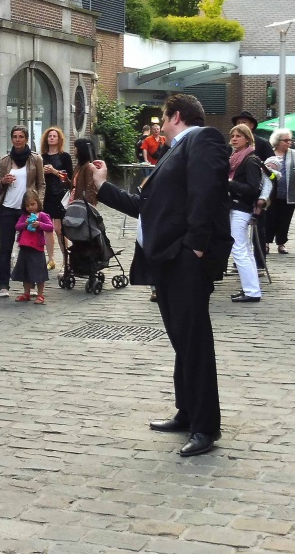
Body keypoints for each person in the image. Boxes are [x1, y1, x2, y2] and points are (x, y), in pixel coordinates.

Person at [92, 93, 232, 457]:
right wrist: (102, 185)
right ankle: (187, 413)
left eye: (164, 117)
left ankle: (205, 426)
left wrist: (197, 246)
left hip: (185, 258)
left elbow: (208, 192)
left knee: (194, 343)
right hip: (167, 259)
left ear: (177, 117)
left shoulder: (202, 139)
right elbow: (146, 206)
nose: (161, 124)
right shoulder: (173, 152)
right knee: (181, 341)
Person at [0, 125, 45, 298]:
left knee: (29, 248)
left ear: (26, 139)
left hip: (27, 210)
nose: (17, 140)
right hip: (8, 208)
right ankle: (3, 284)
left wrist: (38, 205)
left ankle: (29, 283)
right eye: (15, 136)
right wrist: (3, 181)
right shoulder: (4, 160)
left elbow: (41, 184)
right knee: (5, 248)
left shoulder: (35, 159)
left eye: (21, 137)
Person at [226, 123, 263, 303]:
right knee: (245, 249)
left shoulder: (250, 160)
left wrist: (230, 183)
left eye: (238, 136)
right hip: (236, 207)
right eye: (233, 136)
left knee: (239, 249)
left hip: (242, 208)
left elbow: (252, 188)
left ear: (247, 138)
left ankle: (251, 291)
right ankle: (251, 288)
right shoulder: (235, 158)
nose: (234, 139)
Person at [263, 129, 295, 255]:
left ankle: (281, 243)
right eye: (286, 140)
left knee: (285, 220)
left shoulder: (294, 154)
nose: (289, 142)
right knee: (269, 219)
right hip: (270, 194)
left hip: (288, 193)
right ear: (278, 141)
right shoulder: (269, 153)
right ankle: (265, 243)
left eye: (290, 140)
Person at [39, 126, 73, 270]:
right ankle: (51, 259)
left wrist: (54, 171)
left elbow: (69, 178)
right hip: (46, 195)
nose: (51, 138)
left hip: (60, 195)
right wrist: (43, 171)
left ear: (59, 139)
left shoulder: (64, 156)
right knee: (47, 228)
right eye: (49, 136)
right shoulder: (42, 157)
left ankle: (67, 258)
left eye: (54, 136)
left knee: (59, 229)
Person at [12, 191, 54, 304]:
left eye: (32, 204)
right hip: (25, 247)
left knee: (39, 272)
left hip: (37, 248)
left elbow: (50, 227)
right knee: (25, 272)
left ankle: (40, 294)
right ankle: (27, 292)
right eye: (27, 205)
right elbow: (17, 227)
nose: (30, 207)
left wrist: (40, 224)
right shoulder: (24, 216)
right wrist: (25, 224)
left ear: (37, 203)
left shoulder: (42, 215)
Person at [71, 137, 101, 207]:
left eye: (75, 147)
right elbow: (75, 186)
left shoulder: (89, 167)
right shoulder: (78, 166)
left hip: (83, 203)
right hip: (75, 200)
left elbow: (90, 188)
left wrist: (87, 205)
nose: (74, 149)